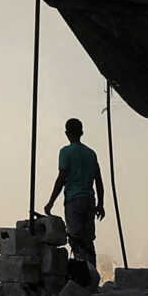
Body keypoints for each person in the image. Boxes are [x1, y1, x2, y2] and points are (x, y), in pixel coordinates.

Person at [42, 118, 104, 280]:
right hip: (90, 200)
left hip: (74, 200)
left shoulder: (66, 152)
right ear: (81, 132)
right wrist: (101, 204)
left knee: (76, 239)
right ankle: (92, 278)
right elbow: (99, 180)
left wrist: (50, 202)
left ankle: (81, 279)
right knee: (88, 239)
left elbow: (61, 178)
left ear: (67, 134)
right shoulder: (91, 153)